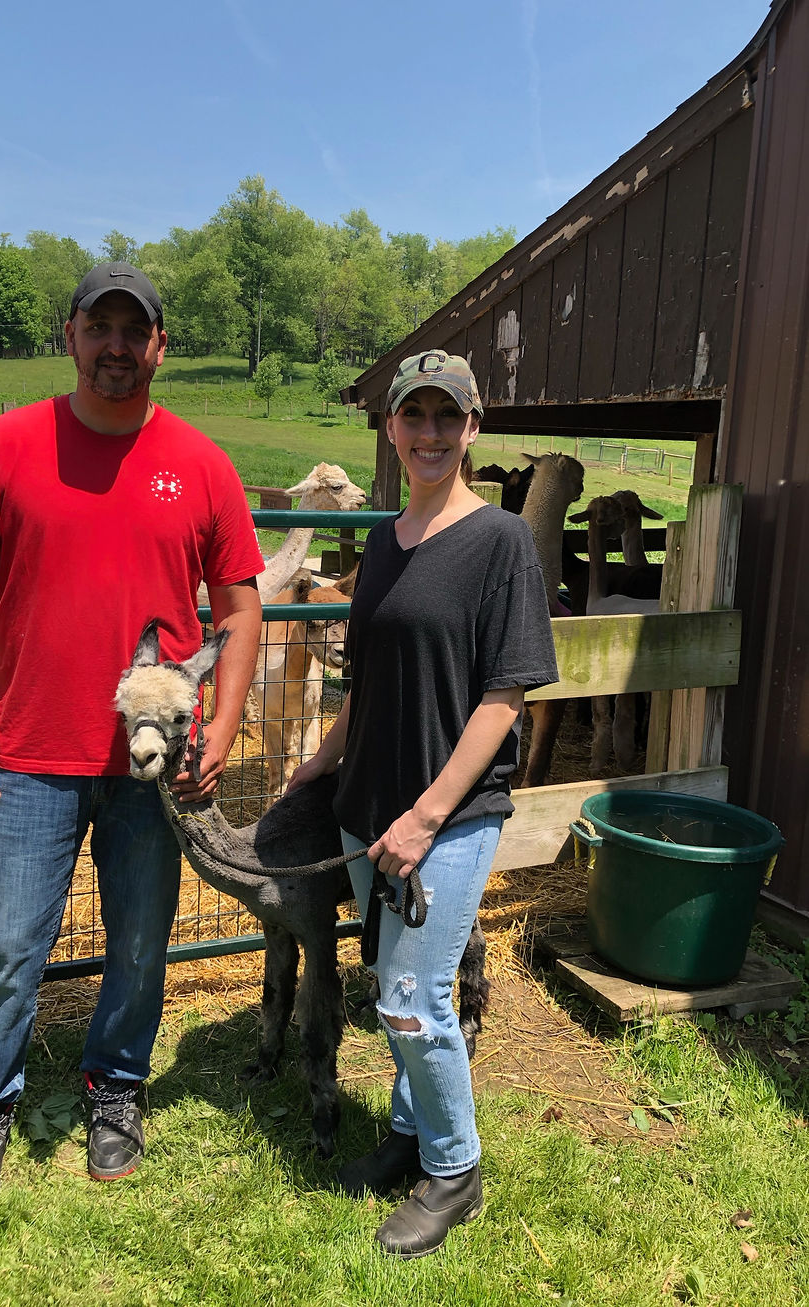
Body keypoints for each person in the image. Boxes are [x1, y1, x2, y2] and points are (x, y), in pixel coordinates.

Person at [0, 262, 264, 1210]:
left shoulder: (200, 463)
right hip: (32, 752)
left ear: (160, 344)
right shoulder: (8, 446)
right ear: (71, 334)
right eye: (99, 326)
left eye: (135, 330)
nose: (117, 346)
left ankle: (116, 1086)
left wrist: (226, 721)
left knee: (143, 941)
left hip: (155, 765)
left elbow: (241, 602)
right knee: (4, 943)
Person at [287, 349, 558, 1259]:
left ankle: (455, 1167)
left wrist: (429, 813)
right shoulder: (386, 542)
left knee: (410, 999)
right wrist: (321, 760)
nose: (431, 433)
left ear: (473, 429)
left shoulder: (501, 543)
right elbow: (368, 680)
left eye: (449, 417)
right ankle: (408, 1132)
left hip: (449, 815)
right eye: (415, 417)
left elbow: (504, 695)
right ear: (393, 429)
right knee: (394, 978)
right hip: (368, 805)